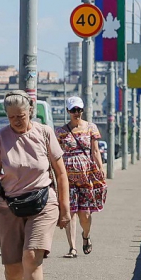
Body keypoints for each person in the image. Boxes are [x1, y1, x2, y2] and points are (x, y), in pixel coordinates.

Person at [0, 91, 70, 280]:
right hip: (10, 206)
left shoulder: (44, 133)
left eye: (20, 116)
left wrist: (65, 208)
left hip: (43, 202)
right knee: (13, 267)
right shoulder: (1, 138)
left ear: (30, 111)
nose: (16, 121)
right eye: (11, 118)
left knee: (31, 256)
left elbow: (60, 173)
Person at [54, 96, 106, 257]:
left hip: (86, 176)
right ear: (68, 111)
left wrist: (101, 167)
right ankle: (72, 248)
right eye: (73, 110)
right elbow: (56, 154)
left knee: (85, 213)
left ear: (82, 110)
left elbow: (95, 150)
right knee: (70, 212)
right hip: (67, 177)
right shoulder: (61, 132)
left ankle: (86, 236)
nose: (76, 113)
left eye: (79, 110)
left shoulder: (91, 127)